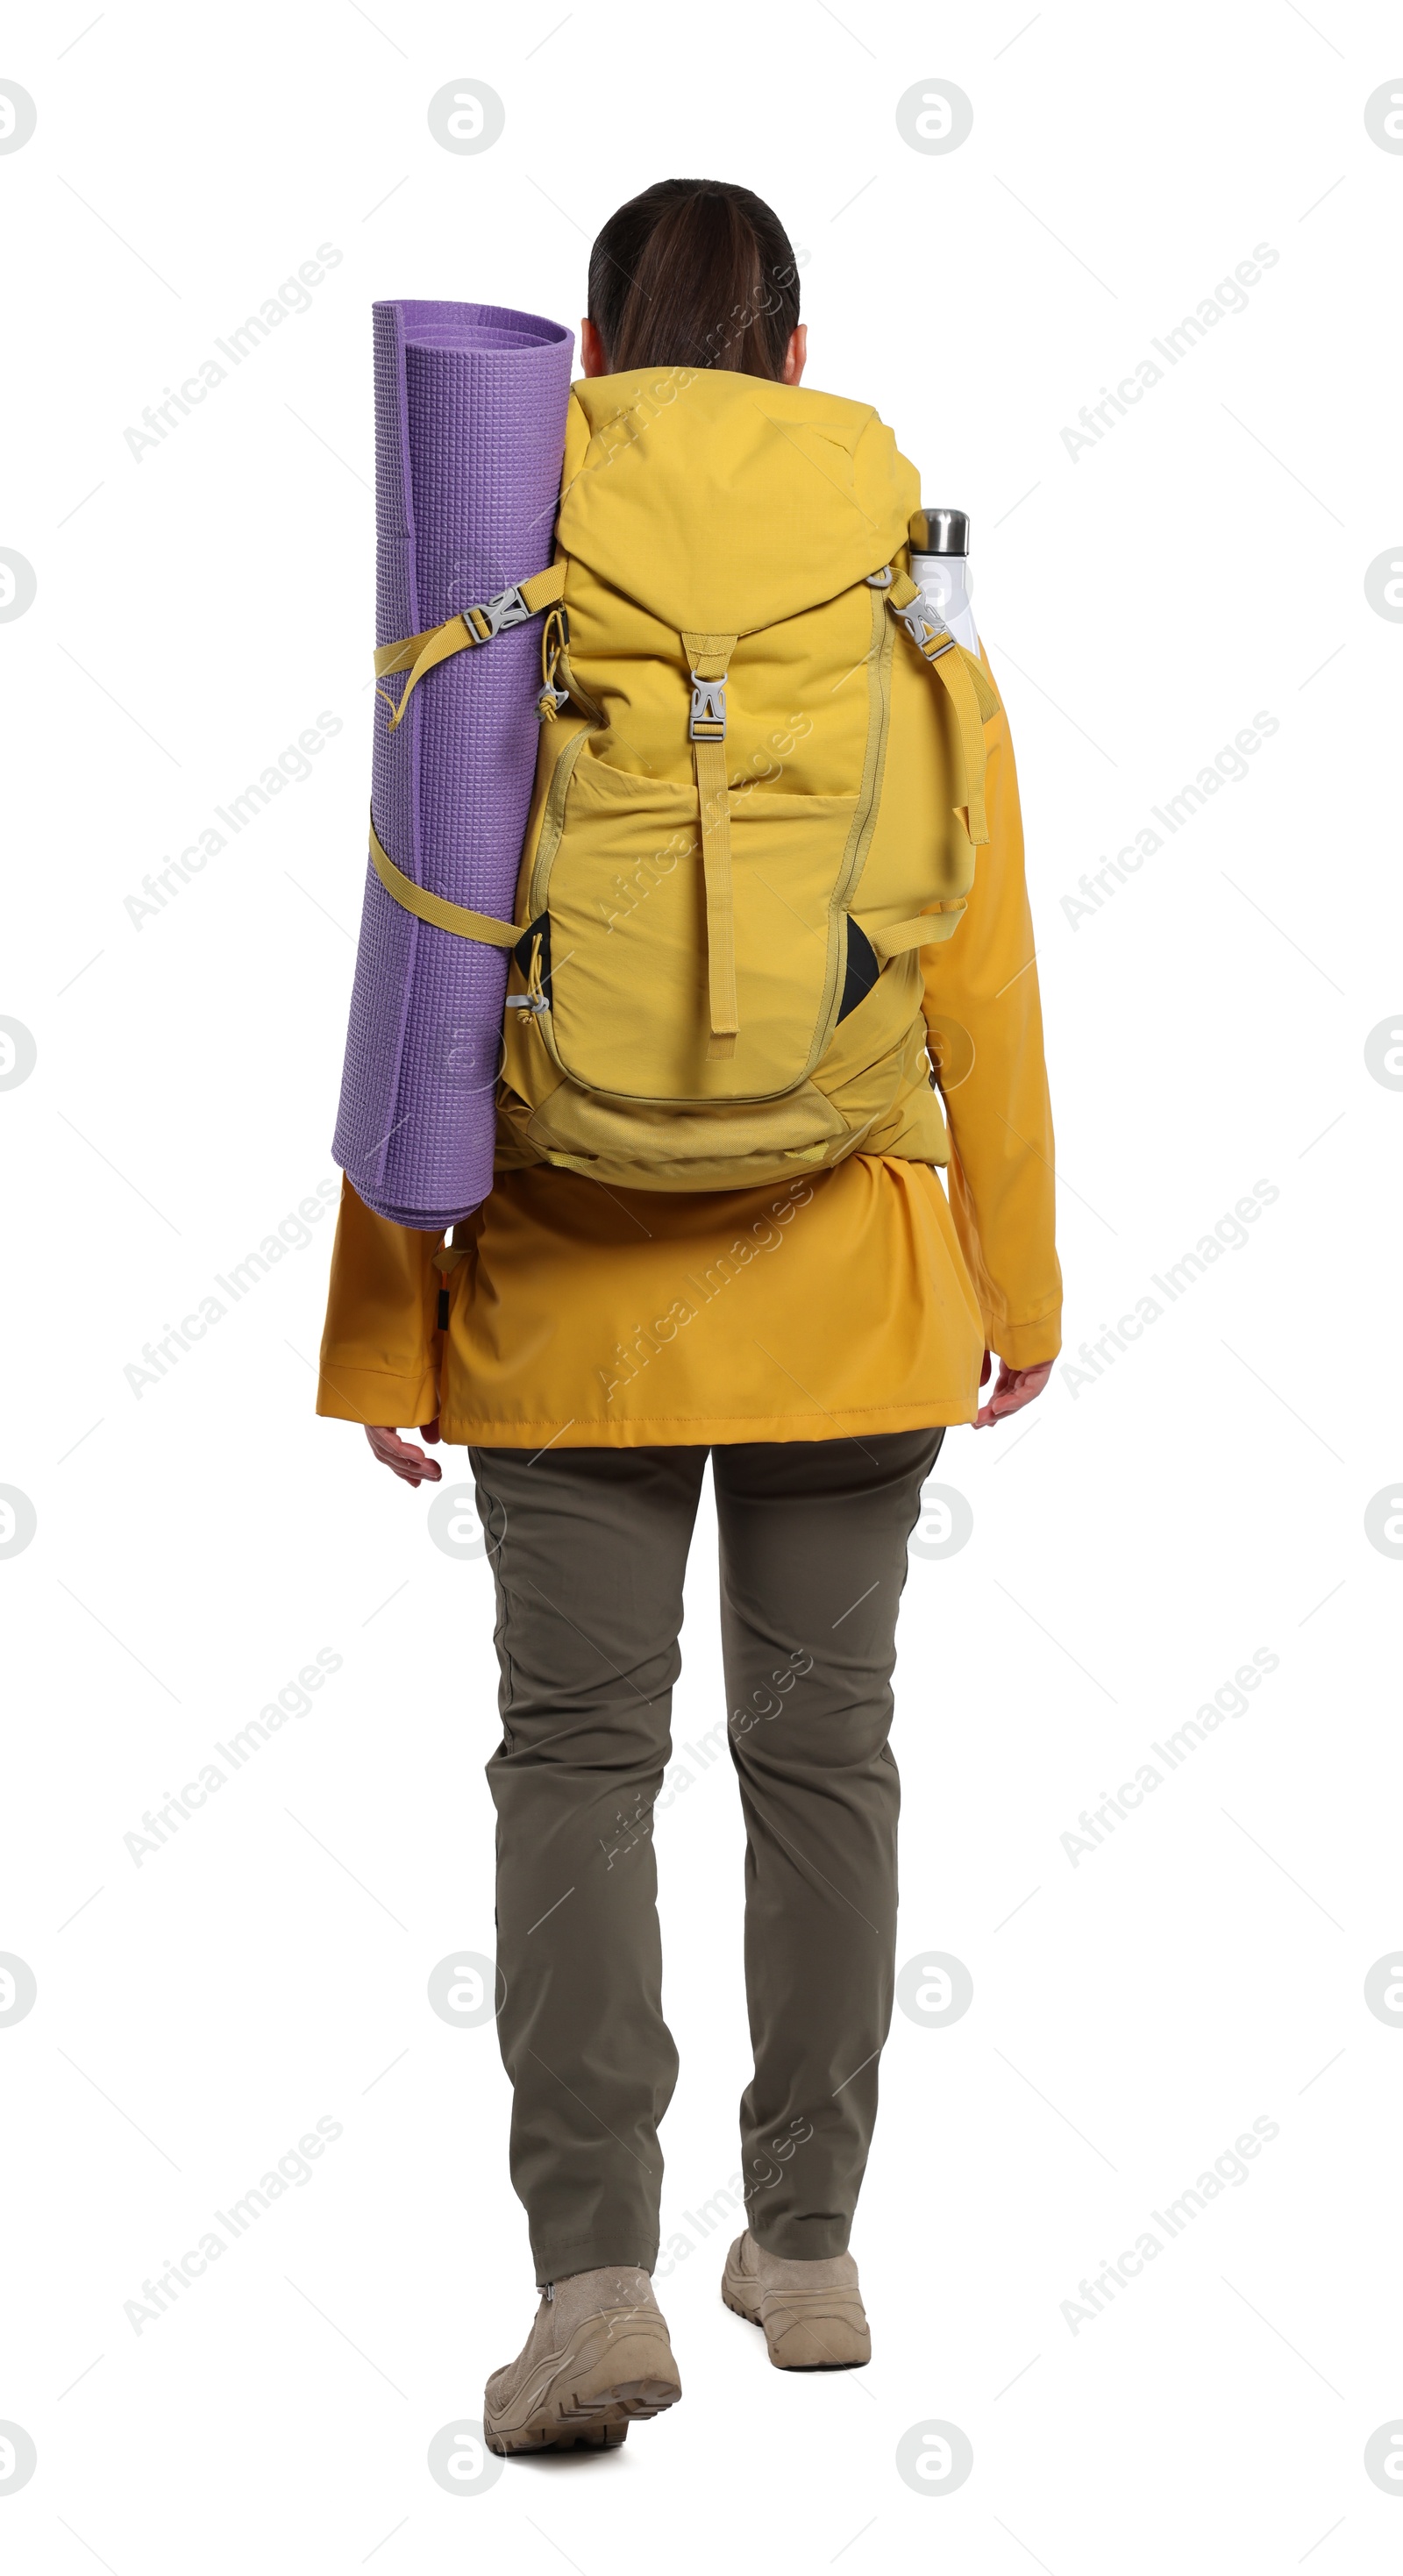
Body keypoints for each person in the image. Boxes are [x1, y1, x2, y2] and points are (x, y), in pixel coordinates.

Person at [317, 177, 1060, 2454]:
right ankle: (810, 2244)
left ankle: (595, 2280)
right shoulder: (916, 619)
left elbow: (427, 947)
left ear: (594, 366)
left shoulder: (501, 604)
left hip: (567, 1302)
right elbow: (985, 974)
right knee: (822, 1755)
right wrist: (1013, 1288)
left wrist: (386, 1315)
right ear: (803, 363)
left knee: (581, 1763)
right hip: (853, 1299)